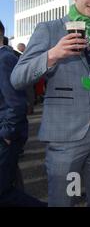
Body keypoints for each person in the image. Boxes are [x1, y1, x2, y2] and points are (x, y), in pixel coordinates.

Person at [11, 0, 90, 207]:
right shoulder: (50, 30)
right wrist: (53, 54)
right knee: (64, 200)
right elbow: (18, 78)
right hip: (66, 136)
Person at [0, 20, 46, 207]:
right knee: (10, 185)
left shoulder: (5, 59)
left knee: (4, 193)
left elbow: (15, 102)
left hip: (5, 134)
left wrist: (7, 134)